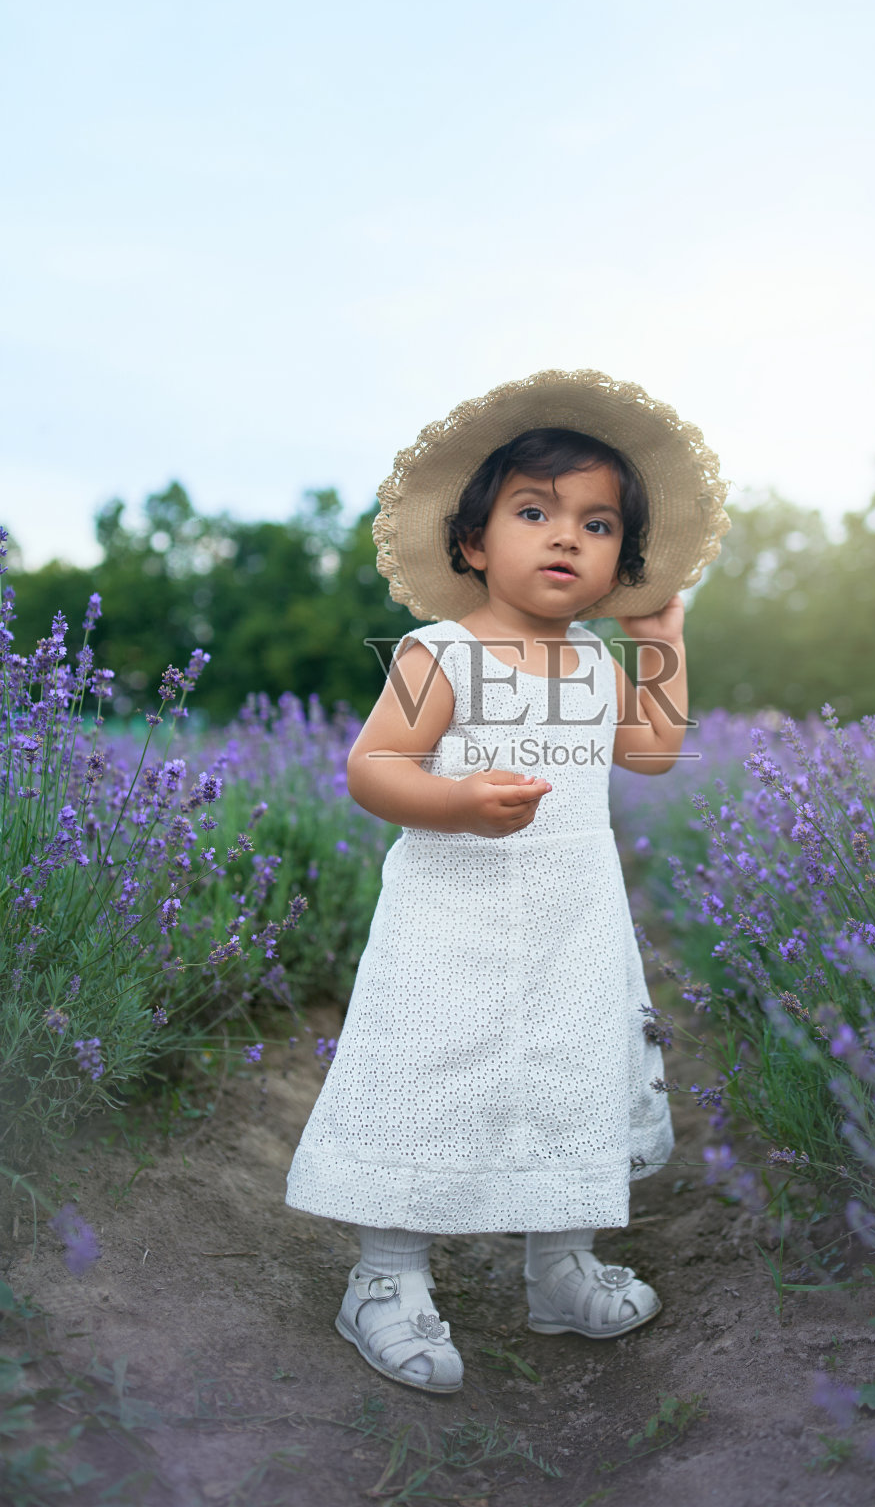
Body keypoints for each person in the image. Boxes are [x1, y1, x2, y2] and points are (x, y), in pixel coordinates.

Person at [285, 368, 730, 1394]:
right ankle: (385, 1278)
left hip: (572, 920)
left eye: (598, 522)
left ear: (622, 557)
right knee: (425, 1070)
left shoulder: (594, 662)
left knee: (572, 1068)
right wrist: (452, 800)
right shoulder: (435, 652)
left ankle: (558, 1263)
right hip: (450, 920)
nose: (566, 536)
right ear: (475, 543)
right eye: (535, 512)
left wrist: (661, 647)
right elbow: (371, 767)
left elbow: (653, 753)